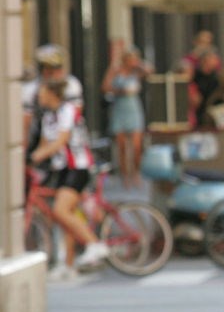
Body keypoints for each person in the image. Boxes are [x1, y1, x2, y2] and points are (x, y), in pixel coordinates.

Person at [28, 79, 109, 279]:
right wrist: (31, 158)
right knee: (65, 217)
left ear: (52, 93)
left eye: (42, 92)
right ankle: (68, 263)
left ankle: (94, 244)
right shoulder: (48, 117)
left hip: (79, 167)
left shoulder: (67, 110)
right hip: (62, 169)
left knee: (60, 210)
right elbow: (45, 144)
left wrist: (34, 157)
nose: (39, 96)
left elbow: (61, 141)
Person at [102, 43, 151, 189]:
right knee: (122, 146)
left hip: (133, 109)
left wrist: (138, 64)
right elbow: (105, 87)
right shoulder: (116, 70)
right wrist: (119, 91)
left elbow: (149, 71)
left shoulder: (137, 71)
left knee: (136, 146)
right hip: (119, 108)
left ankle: (136, 173)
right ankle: (125, 176)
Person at [22, 44, 84, 155]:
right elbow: (26, 122)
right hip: (39, 138)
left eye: (58, 68)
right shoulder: (32, 89)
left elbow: (75, 116)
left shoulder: (71, 85)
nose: (56, 73)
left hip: (66, 144)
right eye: (50, 70)